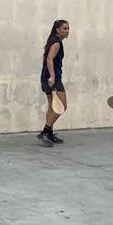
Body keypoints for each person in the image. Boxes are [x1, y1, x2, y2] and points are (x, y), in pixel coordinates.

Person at [38, 19, 70, 147]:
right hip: (53, 80)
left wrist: (47, 76)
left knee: (52, 107)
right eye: (65, 28)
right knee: (62, 107)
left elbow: (46, 58)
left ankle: (49, 133)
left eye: (68, 28)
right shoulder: (56, 43)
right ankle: (46, 131)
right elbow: (49, 59)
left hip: (47, 78)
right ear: (58, 30)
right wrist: (52, 76)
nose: (67, 31)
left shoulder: (53, 41)